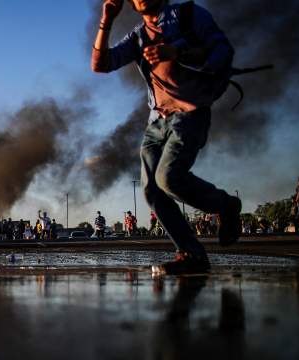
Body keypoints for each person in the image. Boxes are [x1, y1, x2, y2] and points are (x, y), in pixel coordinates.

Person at [92, 0, 242, 274]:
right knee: (151, 191)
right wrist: (108, 20)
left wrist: (178, 51)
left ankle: (225, 205)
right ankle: (191, 254)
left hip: (190, 115)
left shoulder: (189, 14)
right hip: (156, 122)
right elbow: (101, 64)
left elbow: (222, 50)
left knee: (169, 178)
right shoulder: (137, 37)